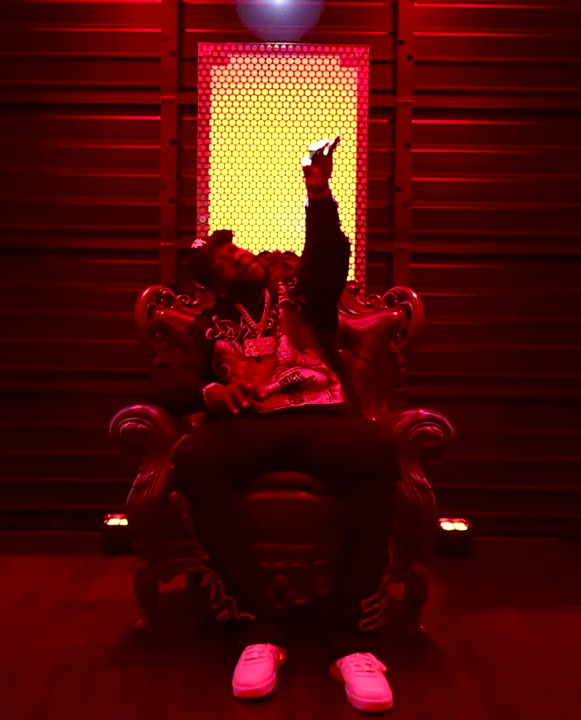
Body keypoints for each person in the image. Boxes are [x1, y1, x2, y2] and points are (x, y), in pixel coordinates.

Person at [151, 136, 399, 713]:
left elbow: (330, 256)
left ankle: (349, 639)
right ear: (214, 285)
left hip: (321, 416)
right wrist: (210, 391)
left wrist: (320, 194)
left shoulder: (303, 296)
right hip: (249, 427)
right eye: (224, 261)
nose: (239, 256)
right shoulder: (208, 325)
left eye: (238, 249)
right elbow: (162, 381)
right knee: (194, 458)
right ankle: (259, 627)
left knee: (376, 449)